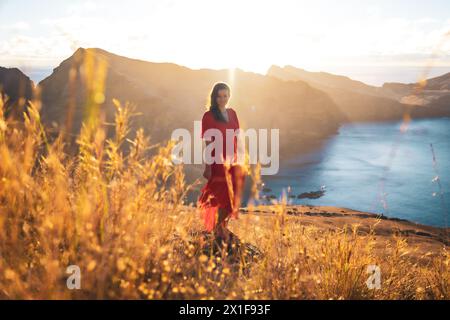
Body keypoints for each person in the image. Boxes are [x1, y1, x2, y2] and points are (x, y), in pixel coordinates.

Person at [197, 82, 246, 244]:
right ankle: (217, 228)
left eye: (225, 96)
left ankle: (222, 226)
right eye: (219, 96)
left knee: (231, 195)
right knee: (219, 195)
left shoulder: (232, 114)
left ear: (229, 96)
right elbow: (208, 142)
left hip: (233, 161)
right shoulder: (208, 116)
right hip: (217, 161)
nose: (222, 99)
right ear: (214, 97)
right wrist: (208, 165)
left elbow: (238, 138)